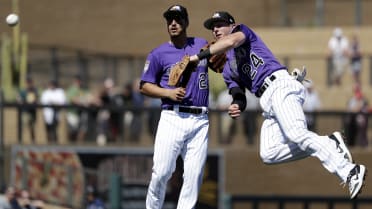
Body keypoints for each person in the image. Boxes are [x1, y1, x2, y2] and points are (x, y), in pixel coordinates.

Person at [188, 11, 366, 199]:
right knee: (269, 153)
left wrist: (200, 56)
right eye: (212, 27)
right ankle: (328, 142)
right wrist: (237, 105)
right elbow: (239, 95)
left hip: (279, 85)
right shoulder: (227, 71)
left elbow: (232, 42)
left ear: (232, 25)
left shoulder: (242, 32)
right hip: (268, 101)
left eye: (220, 24)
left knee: (297, 134)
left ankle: (349, 171)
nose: (215, 29)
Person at [139, 5, 209, 209]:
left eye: (178, 19)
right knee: (162, 172)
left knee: (194, 175)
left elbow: (222, 61)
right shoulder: (158, 53)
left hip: (200, 119)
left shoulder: (201, 44)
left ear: (186, 22)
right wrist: (168, 93)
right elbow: (144, 86)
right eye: (170, 20)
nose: (173, 24)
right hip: (172, 117)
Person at [17, 77, 39, 143]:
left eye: (30, 83)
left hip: (32, 112)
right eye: (27, 83)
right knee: (24, 126)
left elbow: (36, 99)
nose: (29, 84)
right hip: (25, 111)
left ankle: (33, 142)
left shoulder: (35, 90)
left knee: (32, 127)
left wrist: (34, 100)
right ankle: (20, 141)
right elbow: (19, 99)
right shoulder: (22, 91)